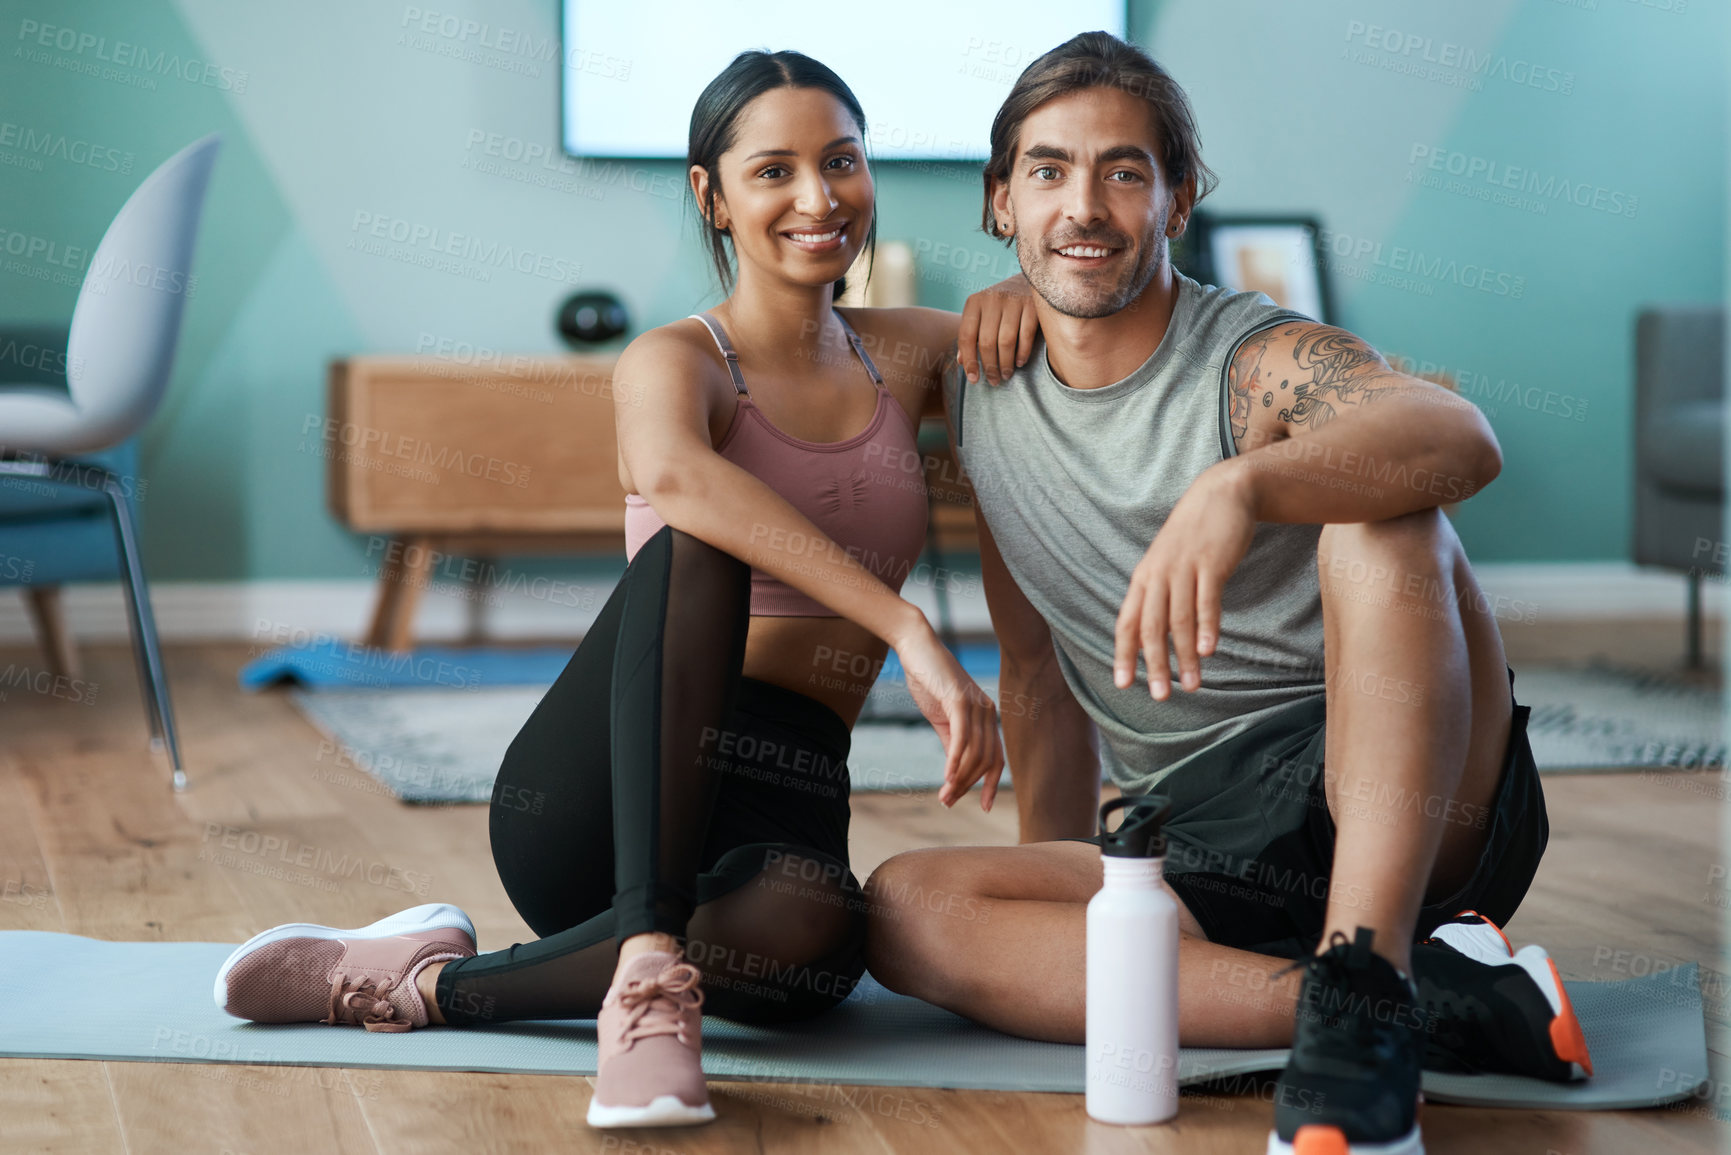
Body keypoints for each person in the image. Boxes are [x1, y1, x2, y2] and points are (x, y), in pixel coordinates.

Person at [211, 49, 1036, 1130]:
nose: (819, 197)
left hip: (783, 791)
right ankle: (643, 959)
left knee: (819, 932)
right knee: (698, 541)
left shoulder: (914, 355)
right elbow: (677, 481)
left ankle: (424, 982)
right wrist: (907, 625)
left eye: (842, 162)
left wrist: (1031, 285)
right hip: (604, 788)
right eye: (774, 170)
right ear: (712, 193)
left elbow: (1067, 334)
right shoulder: (673, 361)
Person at [860, 32, 1591, 1155]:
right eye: (1048, 171)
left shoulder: (1254, 360)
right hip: (1197, 833)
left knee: (1383, 516)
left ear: (1178, 199)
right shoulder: (982, 390)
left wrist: (1244, 487)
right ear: (1001, 201)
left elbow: (1459, 437)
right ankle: (1398, 1001)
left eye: (1124, 171)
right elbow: (1040, 679)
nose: (1084, 206)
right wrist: (1077, 937)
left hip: (1396, 781)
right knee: (908, 911)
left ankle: (1371, 956)